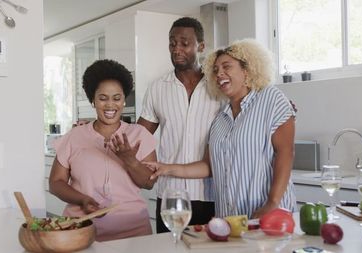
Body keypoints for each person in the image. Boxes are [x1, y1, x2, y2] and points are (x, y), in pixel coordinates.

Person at [149, 39, 296, 219]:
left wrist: (272, 203)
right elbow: (208, 167)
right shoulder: (219, 119)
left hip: (269, 216)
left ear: (246, 70)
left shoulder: (270, 98)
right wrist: (166, 168)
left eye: (227, 67)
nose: (219, 74)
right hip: (230, 219)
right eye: (216, 70)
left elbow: (285, 152)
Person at [49, 59, 157, 241]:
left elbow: (149, 182)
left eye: (117, 98)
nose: (110, 105)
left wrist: (129, 159)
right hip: (82, 231)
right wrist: (82, 199)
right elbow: (56, 182)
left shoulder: (139, 134)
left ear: (124, 100)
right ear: (93, 100)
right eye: (102, 98)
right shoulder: (74, 136)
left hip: (134, 234)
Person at [137, 17, 223, 233]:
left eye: (184, 43)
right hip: (170, 196)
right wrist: (101, 131)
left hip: (212, 194)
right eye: (172, 43)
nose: (176, 49)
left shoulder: (221, 87)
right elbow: (139, 137)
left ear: (200, 46)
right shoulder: (157, 89)